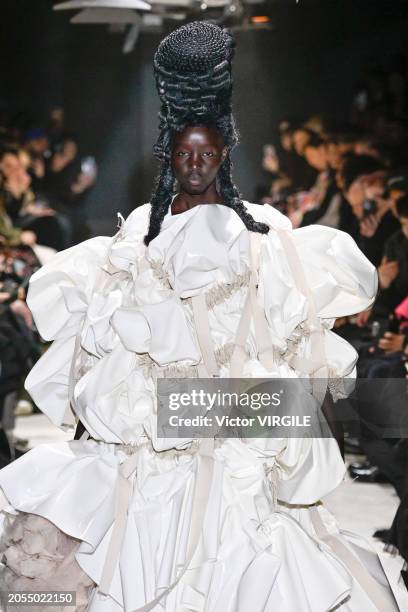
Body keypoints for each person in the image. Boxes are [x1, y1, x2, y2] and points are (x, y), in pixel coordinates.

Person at [0, 22, 398, 612]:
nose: (194, 165)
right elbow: (110, 362)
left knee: (244, 556)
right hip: (163, 445)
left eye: (206, 153)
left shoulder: (265, 239)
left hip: (229, 440)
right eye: (184, 154)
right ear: (168, 155)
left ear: (225, 155)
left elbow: (289, 356)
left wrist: (251, 405)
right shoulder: (140, 239)